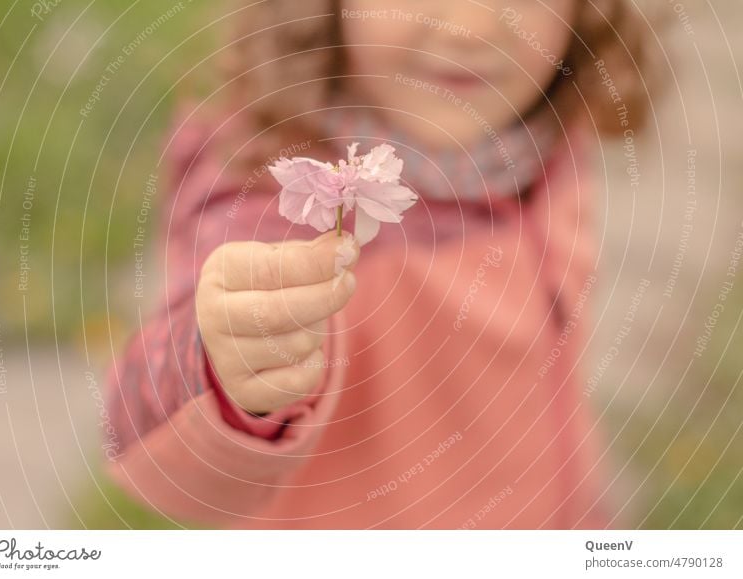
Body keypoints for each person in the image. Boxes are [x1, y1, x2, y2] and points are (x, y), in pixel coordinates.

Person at [104, 0, 651, 529]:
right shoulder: (276, 196)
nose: (471, 27)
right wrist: (225, 367)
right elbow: (148, 431)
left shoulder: (540, 143)